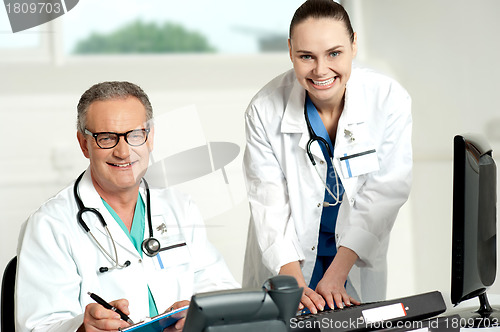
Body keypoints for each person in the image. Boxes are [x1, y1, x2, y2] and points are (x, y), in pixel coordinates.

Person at [15, 81, 239, 332]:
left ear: (150, 137)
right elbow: (38, 327)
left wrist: (199, 313)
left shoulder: (180, 207)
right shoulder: (50, 224)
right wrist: (80, 328)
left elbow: (220, 291)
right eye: (106, 138)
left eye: (134, 135)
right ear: (83, 144)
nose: (123, 152)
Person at [242, 0, 412, 315]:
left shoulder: (388, 100)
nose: (321, 70)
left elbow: (385, 192)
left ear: (354, 44)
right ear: (291, 50)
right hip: (286, 261)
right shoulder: (264, 110)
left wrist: (337, 273)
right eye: (306, 56)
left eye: (334, 53)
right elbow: (268, 204)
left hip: (352, 259)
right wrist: (292, 283)